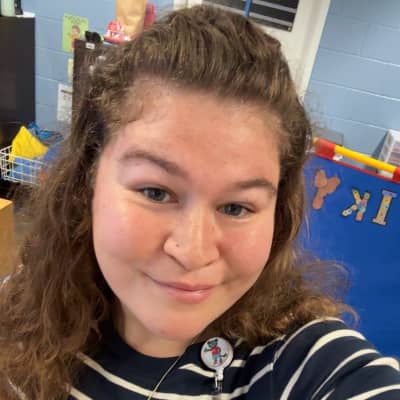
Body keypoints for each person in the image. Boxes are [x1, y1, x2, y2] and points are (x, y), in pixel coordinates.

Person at [1, 5, 399, 400]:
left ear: (278, 216)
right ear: (88, 182)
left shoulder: (301, 364)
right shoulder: (23, 305)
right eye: (155, 192)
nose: (192, 252)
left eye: (236, 207)